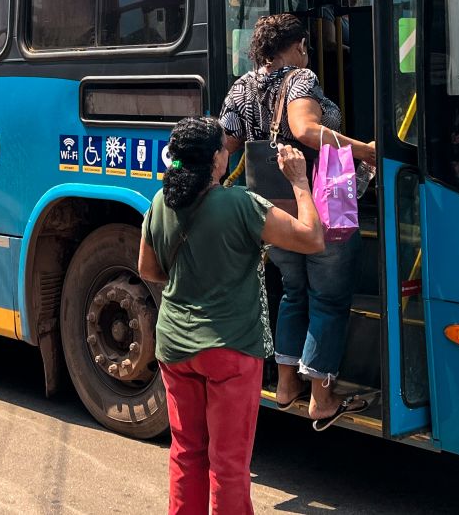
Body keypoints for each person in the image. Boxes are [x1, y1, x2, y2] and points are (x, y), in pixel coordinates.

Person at [138, 116, 324, 515]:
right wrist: (299, 181)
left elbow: (149, 270)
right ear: (217, 161)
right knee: (229, 465)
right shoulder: (240, 204)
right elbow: (312, 238)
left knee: (186, 453)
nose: (228, 152)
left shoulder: (159, 204)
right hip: (231, 350)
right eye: (225, 148)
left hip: (174, 347)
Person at [219, 13, 377, 427]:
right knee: (328, 298)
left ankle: (287, 386)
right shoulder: (301, 79)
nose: (306, 52)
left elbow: (227, 143)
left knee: (293, 293)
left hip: (269, 211)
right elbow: (305, 130)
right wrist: (365, 150)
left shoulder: (242, 86)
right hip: (318, 207)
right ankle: (321, 398)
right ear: (297, 46)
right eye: (304, 46)